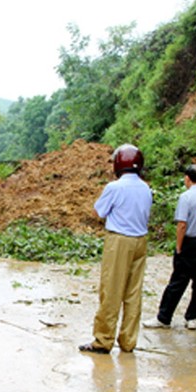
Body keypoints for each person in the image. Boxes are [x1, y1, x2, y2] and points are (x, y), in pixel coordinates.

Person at [79, 144, 152, 354]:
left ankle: (103, 339)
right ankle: (128, 340)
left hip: (120, 240)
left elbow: (98, 212)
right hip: (140, 241)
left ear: (119, 164)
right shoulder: (146, 188)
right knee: (133, 292)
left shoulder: (115, 187)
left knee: (111, 290)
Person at [144, 164, 196, 330]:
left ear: (187, 178)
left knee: (178, 281)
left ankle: (164, 317)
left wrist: (179, 247)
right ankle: (192, 317)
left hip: (190, 242)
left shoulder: (186, 197)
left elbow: (182, 224)